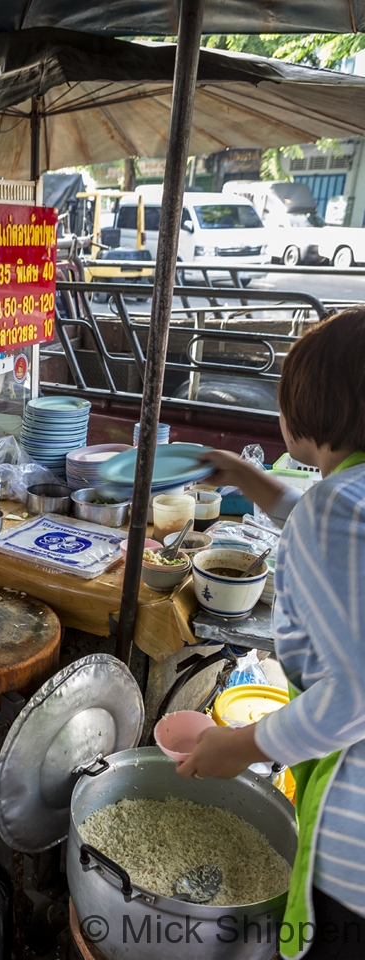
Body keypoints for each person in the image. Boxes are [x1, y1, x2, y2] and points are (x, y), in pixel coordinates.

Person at [178, 308, 365, 958]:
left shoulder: (334, 510)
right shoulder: (344, 500)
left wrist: (244, 745)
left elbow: (353, 697)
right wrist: (263, 488)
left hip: (353, 847)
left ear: (306, 410)